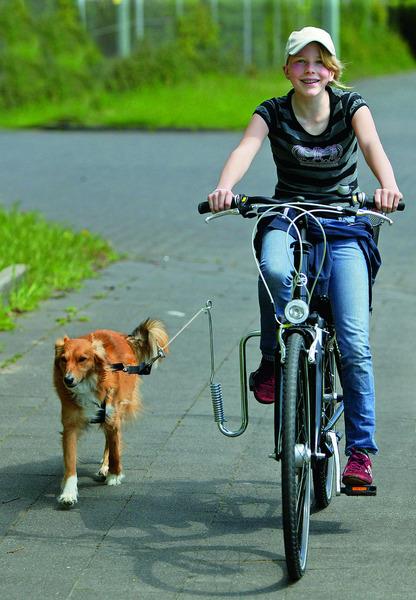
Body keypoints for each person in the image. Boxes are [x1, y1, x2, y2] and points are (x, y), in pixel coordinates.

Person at [207, 26, 402, 486]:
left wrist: (387, 187)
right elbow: (246, 147)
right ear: (287, 69)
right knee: (272, 266)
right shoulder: (272, 111)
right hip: (288, 216)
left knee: (354, 341)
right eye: (300, 61)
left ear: (332, 69)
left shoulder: (352, 106)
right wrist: (225, 189)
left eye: (319, 62)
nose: (310, 70)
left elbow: (372, 145)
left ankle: (359, 453)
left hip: (344, 221)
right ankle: (275, 357)